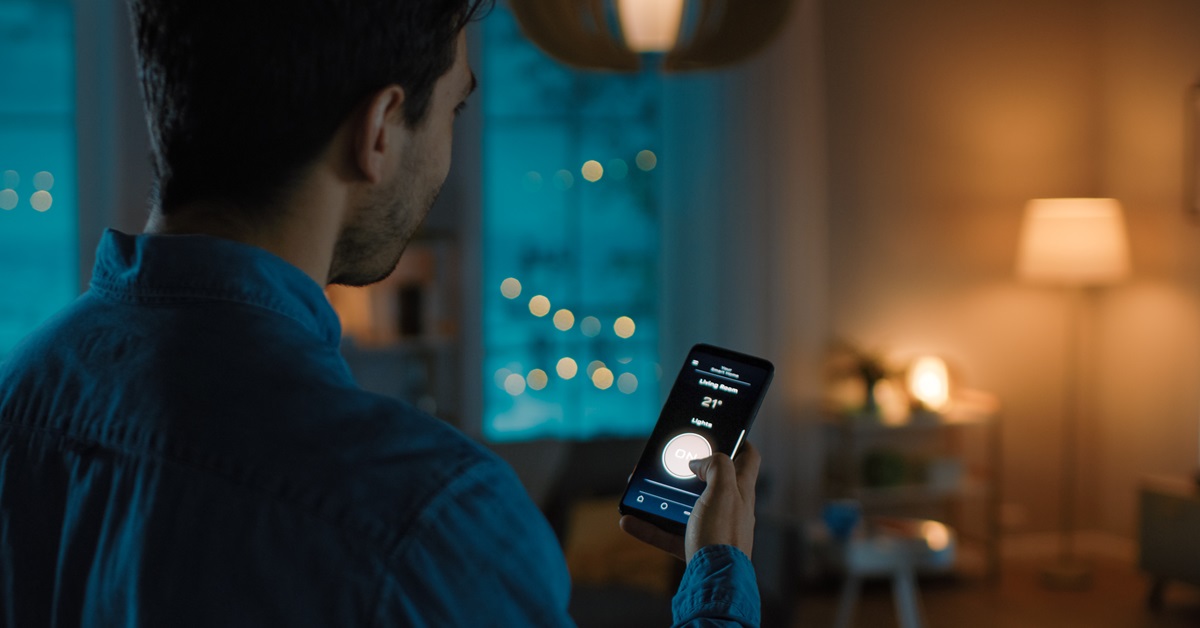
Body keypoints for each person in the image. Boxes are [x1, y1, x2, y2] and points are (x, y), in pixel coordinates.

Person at [0, 1, 763, 625]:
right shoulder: (430, 517)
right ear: (379, 130)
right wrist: (716, 585)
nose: (445, 156)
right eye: (454, 111)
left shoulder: (16, 397)